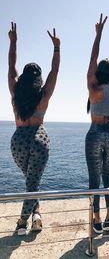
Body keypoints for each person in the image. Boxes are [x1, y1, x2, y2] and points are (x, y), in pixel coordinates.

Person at [8, 22, 60, 235]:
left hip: (18, 140)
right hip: (39, 137)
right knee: (33, 183)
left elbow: (11, 68)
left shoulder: (15, 95)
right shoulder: (43, 96)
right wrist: (57, 48)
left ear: (22, 79)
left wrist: (13, 41)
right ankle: (23, 222)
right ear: (38, 80)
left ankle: (36, 215)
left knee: (31, 181)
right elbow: (54, 71)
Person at [85, 14, 109, 234]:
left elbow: (92, 60)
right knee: (108, 178)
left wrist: (98, 34)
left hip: (94, 133)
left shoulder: (94, 89)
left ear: (99, 72)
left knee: (94, 180)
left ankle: (97, 220)